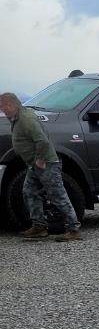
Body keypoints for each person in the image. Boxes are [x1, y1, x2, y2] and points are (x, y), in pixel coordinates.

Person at [0, 91, 82, 241]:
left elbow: (42, 140)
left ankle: (73, 229)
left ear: (10, 105)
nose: (2, 110)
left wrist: (39, 158)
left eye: (2, 106)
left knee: (57, 195)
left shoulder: (26, 119)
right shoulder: (18, 116)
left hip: (46, 164)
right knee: (29, 192)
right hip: (35, 165)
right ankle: (39, 226)